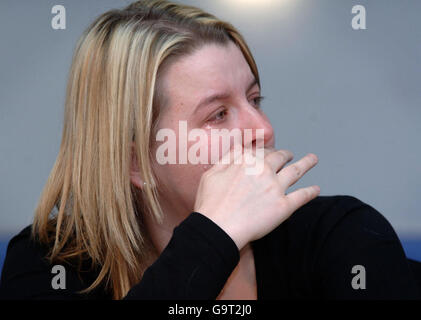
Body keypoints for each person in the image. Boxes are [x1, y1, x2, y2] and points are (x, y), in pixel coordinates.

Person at [0, 0, 420, 300]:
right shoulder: (51, 263)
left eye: (254, 100)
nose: (264, 130)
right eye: (218, 115)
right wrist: (212, 237)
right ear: (133, 161)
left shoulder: (341, 237)